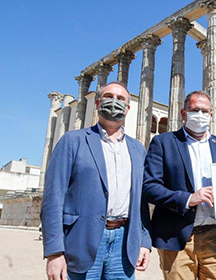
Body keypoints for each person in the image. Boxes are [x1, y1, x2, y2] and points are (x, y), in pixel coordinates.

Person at [41, 81, 151, 280]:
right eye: (109, 97)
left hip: (124, 243)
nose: (114, 102)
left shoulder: (137, 149)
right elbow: (53, 198)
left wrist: (144, 240)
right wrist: (54, 252)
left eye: (120, 99)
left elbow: (140, 201)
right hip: (81, 241)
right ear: (98, 102)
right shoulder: (73, 140)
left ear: (127, 108)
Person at [143, 90, 216, 280]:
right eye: (195, 110)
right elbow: (149, 186)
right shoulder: (163, 142)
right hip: (176, 235)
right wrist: (188, 198)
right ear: (184, 114)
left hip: (214, 234)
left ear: (211, 115)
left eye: (205, 111)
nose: (200, 115)